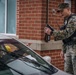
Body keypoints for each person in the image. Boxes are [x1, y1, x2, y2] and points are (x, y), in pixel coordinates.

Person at [44, 3, 76, 75]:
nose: (61, 13)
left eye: (62, 11)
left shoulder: (74, 19)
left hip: (75, 49)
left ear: (68, 9)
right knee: (67, 71)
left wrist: (52, 32)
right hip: (68, 48)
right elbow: (65, 37)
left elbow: (67, 33)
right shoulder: (66, 20)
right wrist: (63, 50)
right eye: (59, 11)